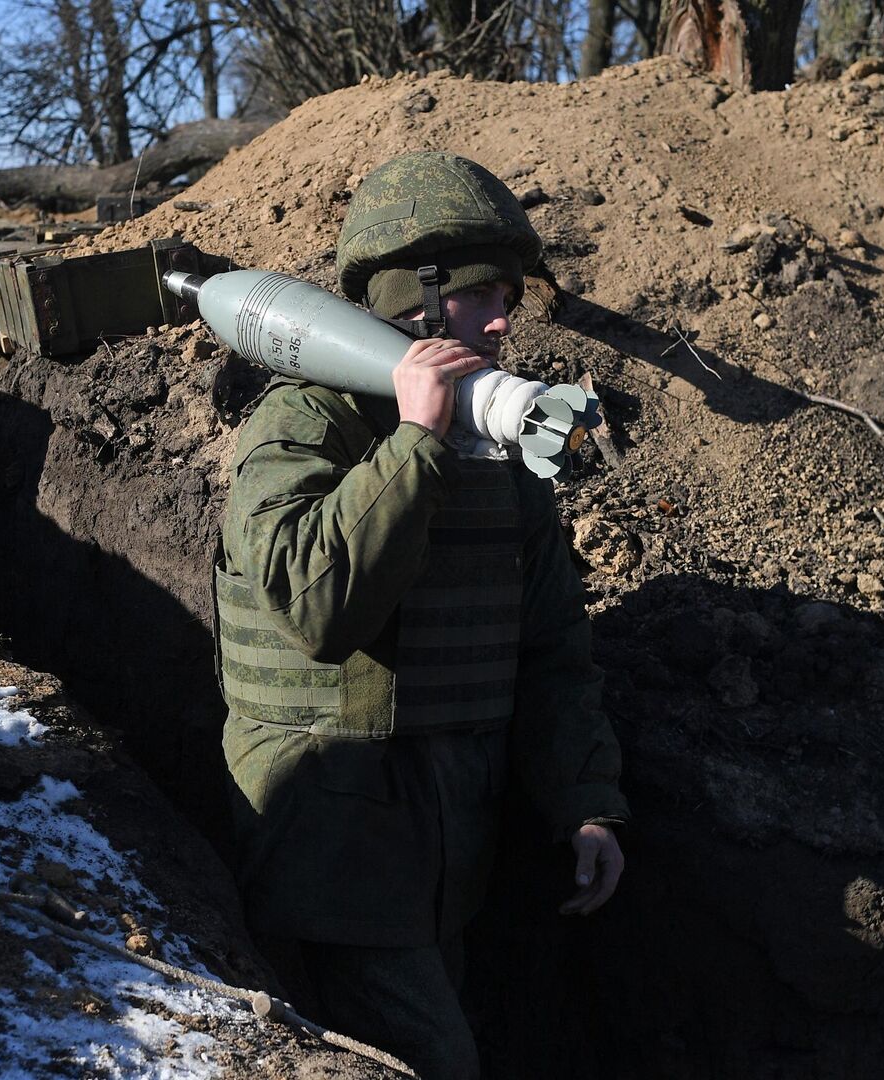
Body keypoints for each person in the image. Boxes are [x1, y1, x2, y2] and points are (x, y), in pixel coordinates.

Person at [212, 152, 630, 1080]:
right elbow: (316, 606)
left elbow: (553, 648)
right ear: (419, 301)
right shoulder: (304, 424)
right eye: (484, 294)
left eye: (509, 295)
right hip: (333, 861)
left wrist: (585, 802)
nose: (503, 318)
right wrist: (413, 441)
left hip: (448, 865)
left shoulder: (501, 443)